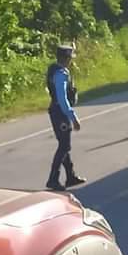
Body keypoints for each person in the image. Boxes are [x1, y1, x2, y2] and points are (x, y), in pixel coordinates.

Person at [46, 44, 86, 191]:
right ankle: (53, 179)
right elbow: (62, 98)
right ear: (66, 58)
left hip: (55, 110)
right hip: (60, 112)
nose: (71, 61)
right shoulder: (61, 74)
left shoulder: (53, 69)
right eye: (70, 58)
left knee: (64, 145)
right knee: (64, 146)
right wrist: (73, 117)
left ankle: (70, 176)